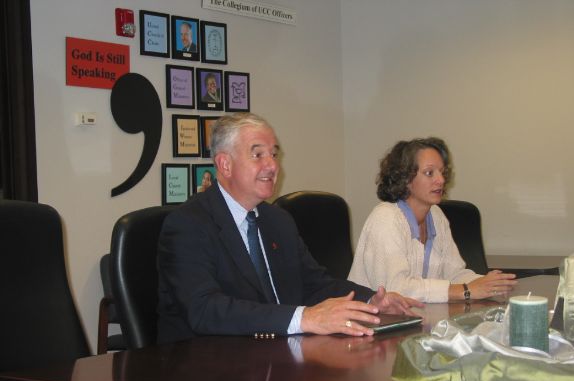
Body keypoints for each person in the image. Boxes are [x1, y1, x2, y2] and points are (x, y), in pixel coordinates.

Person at [157, 113, 423, 343]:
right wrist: (304, 318)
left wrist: (370, 302)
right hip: (207, 366)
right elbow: (204, 310)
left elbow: (314, 284)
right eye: (258, 155)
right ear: (225, 164)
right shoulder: (188, 224)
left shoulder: (277, 220)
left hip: (274, 357)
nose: (273, 165)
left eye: (273, 154)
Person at [348, 137, 517, 303]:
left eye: (442, 172)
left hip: (416, 316)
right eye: (429, 173)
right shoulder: (385, 219)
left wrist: (489, 284)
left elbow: (454, 274)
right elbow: (393, 289)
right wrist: (466, 290)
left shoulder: (436, 215)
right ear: (405, 179)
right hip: (371, 318)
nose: (441, 180)